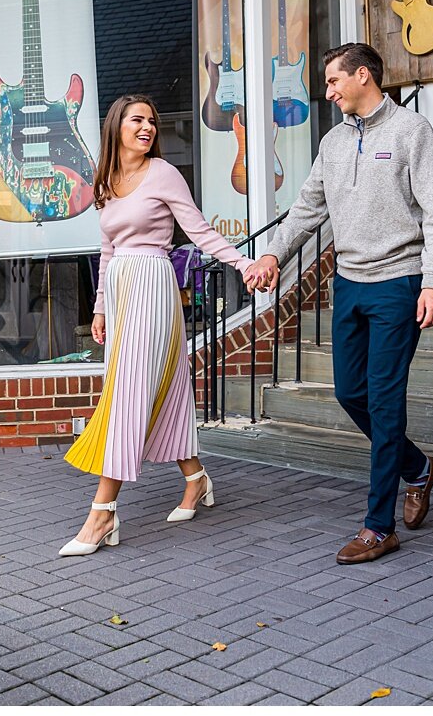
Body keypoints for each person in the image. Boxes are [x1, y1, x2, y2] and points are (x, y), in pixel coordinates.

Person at [248, 43, 433, 564]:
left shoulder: (411, 132)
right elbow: (305, 209)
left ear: (364, 76)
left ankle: (378, 526)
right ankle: (420, 469)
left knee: (385, 403)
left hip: (398, 284)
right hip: (349, 283)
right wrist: (272, 254)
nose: (329, 90)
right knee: (350, 393)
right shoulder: (333, 142)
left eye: (335, 81)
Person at [58, 94, 274, 557]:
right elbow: (107, 251)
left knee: (126, 393)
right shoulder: (107, 180)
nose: (148, 127)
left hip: (154, 285)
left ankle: (103, 513)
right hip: (118, 292)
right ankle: (196, 480)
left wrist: (243, 263)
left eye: (152, 121)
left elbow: (199, 231)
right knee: (166, 389)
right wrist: (98, 308)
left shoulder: (164, 174)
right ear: (116, 125)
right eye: (138, 119)